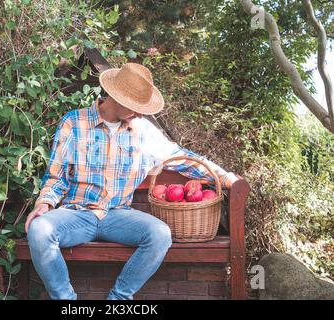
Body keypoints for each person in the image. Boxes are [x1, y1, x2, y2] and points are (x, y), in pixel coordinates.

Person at [24, 63, 238, 300]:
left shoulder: (144, 132)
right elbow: (57, 176)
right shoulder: (73, 123)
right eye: (135, 106)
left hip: (118, 216)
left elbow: (183, 159)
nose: (140, 113)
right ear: (114, 96)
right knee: (39, 229)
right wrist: (44, 203)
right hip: (77, 214)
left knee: (159, 234)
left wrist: (226, 178)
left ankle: (118, 300)